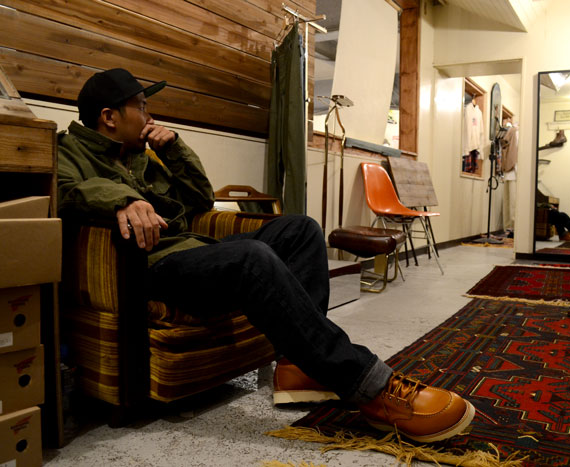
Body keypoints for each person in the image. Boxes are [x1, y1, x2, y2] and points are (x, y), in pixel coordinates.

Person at [57, 68, 474, 443]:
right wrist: (122, 199)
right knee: (251, 258)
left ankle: (299, 366)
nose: (149, 116)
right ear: (109, 116)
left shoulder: (142, 156)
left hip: (194, 251)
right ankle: (368, 385)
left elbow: (200, 200)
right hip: (150, 265)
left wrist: (175, 150)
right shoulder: (68, 151)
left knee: (301, 229)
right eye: (141, 106)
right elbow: (63, 190)